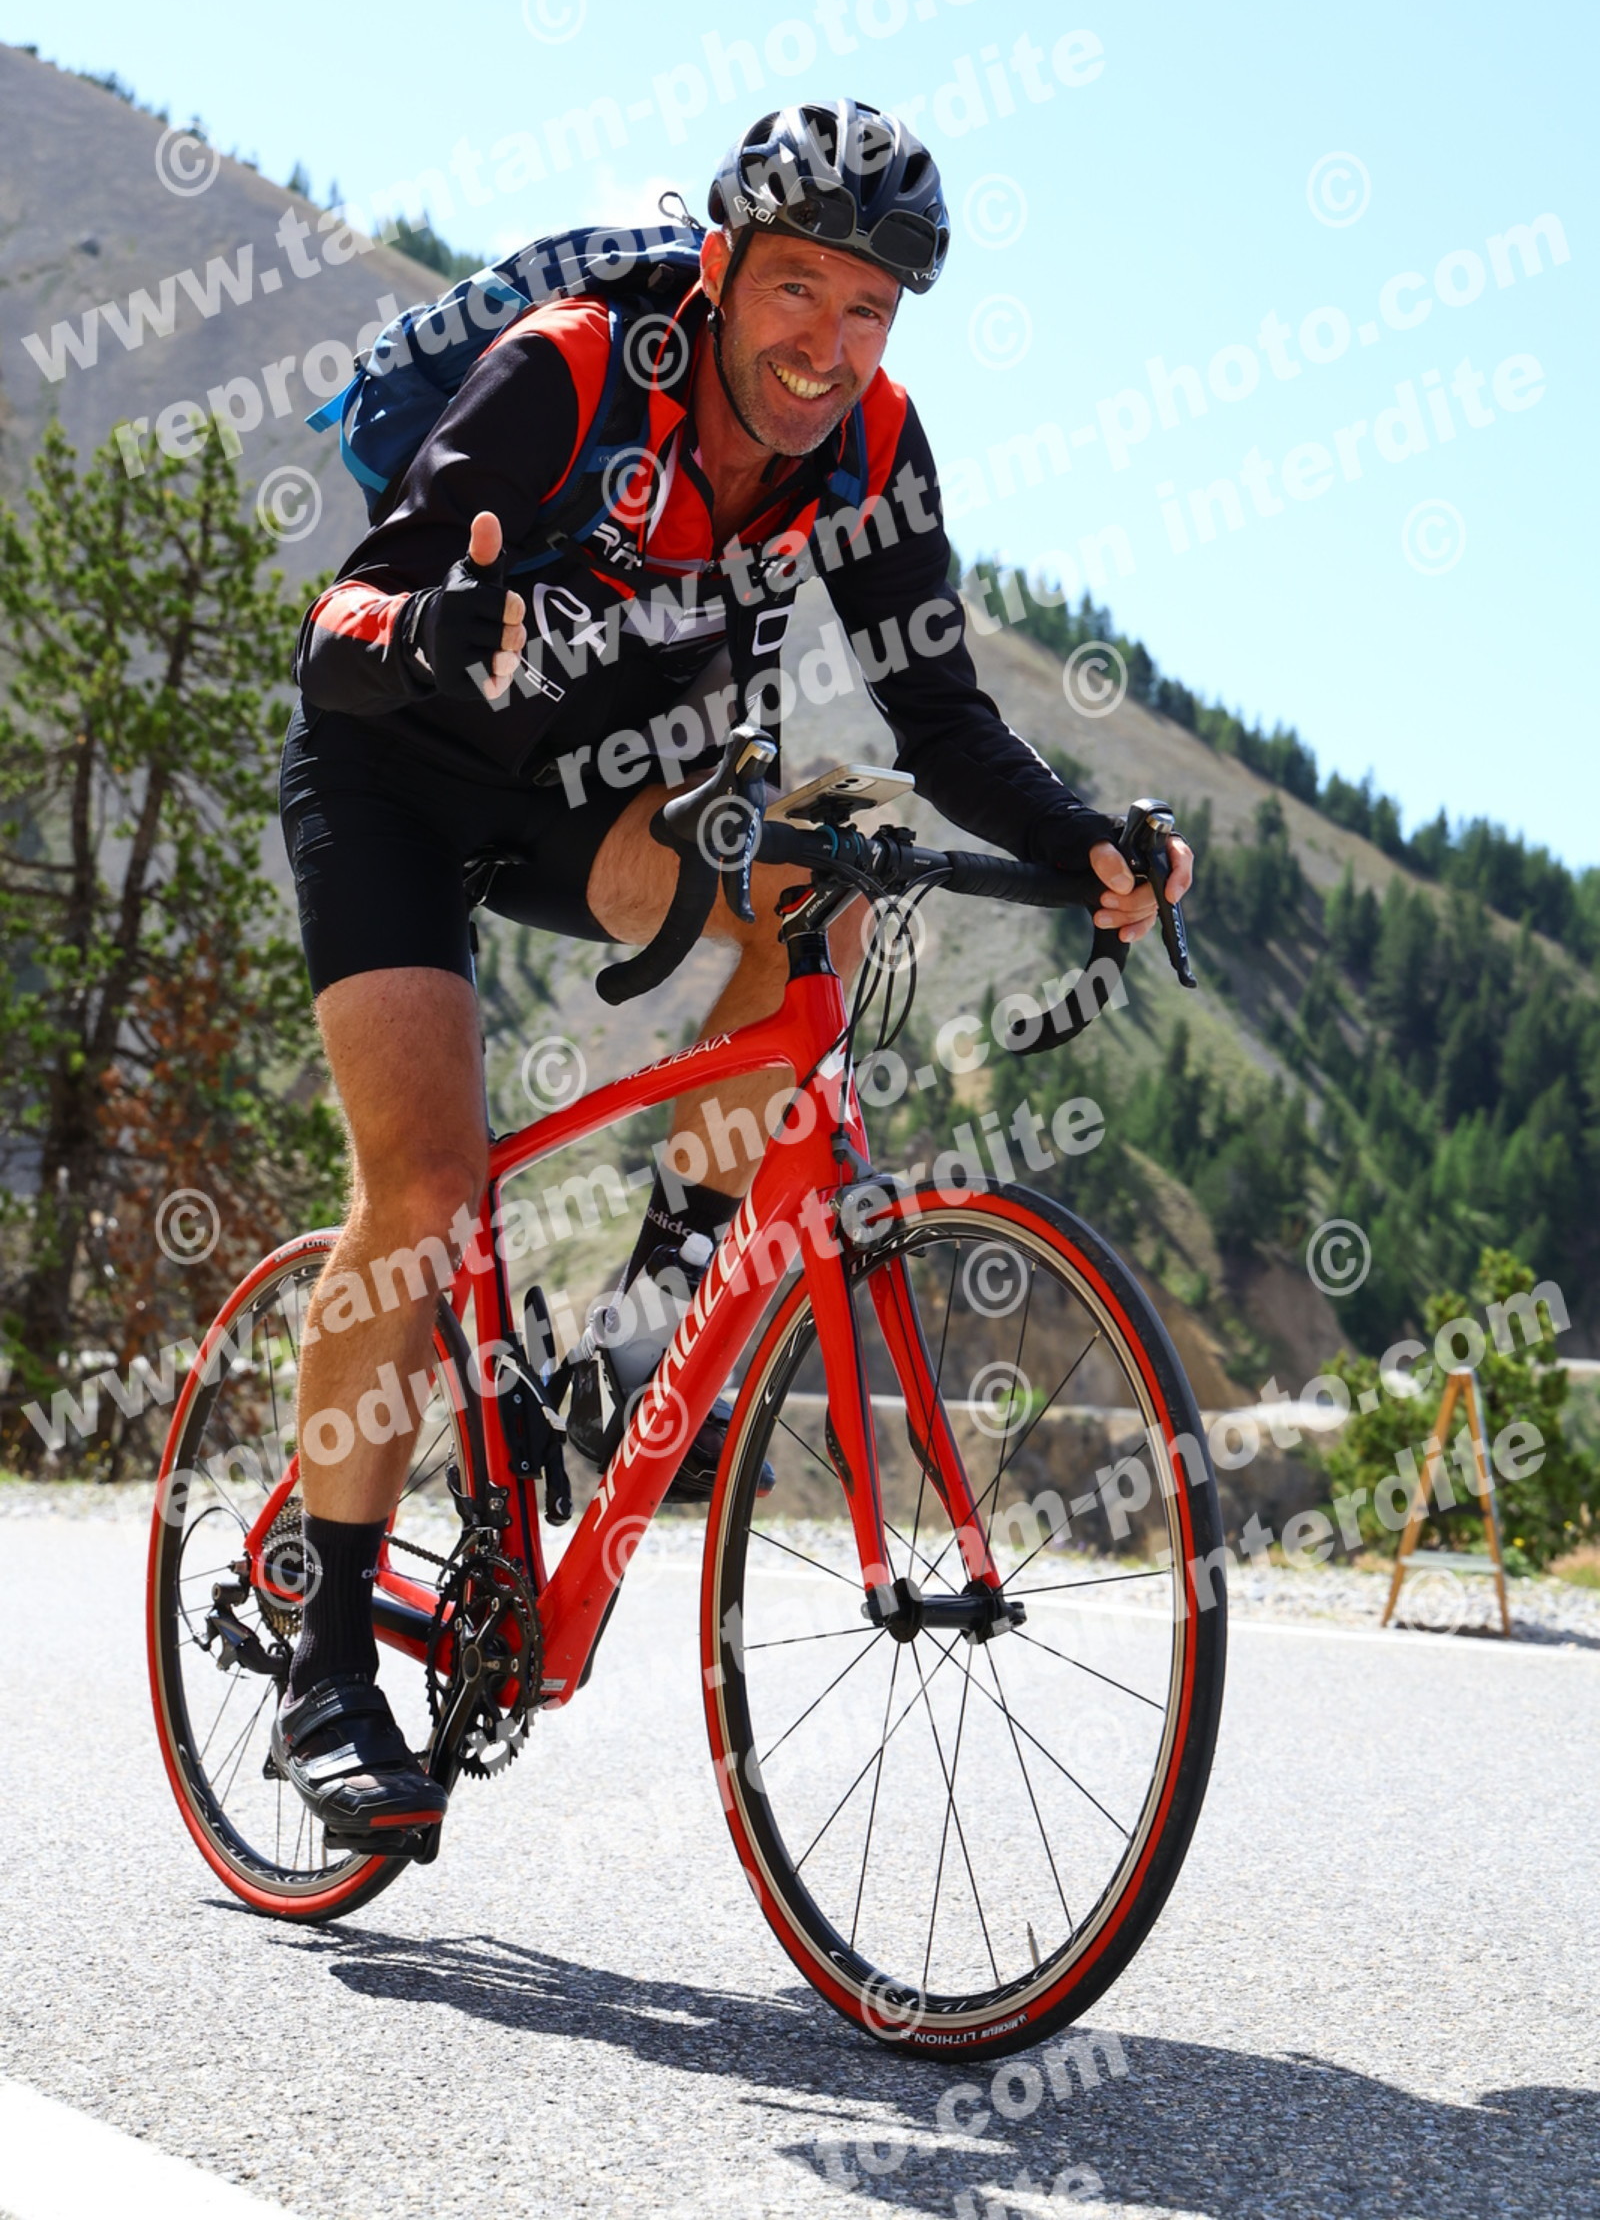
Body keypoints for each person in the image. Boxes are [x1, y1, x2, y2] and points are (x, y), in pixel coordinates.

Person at [272, 99, 1193, 1850]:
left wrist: (1083, 840)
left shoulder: (875, 448)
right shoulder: (575, 368)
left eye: (870, 311)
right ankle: (323, 1668)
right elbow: (338, 637)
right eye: (797, 291)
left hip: (599, 796)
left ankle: (644, 1330)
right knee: (428, 1184)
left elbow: (941, 717)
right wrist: (442, 629)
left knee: (829, 863)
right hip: (390, 773)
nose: (828, 346)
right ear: (720, 268)